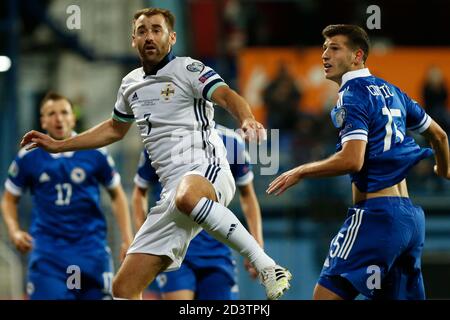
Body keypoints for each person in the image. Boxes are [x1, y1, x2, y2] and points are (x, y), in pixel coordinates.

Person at [20, 8, 291, 300]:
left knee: (187, 196)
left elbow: (227, 95)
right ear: (133, 40)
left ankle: (268, 266)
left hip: (206, 170)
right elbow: (114, 129)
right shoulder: (130, 84)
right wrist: (60, 145)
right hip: (171, 195)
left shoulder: (189, 69)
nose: (149, 36)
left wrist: (246, 118)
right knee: (123, 288)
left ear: (172, 38)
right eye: (142, 30)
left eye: (156, 29)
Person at [267, 24, 450, 300]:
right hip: (411, 220)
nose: (325, 55)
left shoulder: (351, 94)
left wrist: (302, 171)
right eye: (324, 48)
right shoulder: (394, 92)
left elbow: (353, 160)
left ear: (357, 56)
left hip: (376, 217)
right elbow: (440, 135)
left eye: (335, 48)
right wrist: (444, 170)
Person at [1, 92, 134, 300]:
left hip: (91, 250)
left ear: (73, 118)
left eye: (64, 112)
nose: (59, 118)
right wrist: (14, 230)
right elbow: (9, 198)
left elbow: (117, 194)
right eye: (51, 113)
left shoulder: (95, 152)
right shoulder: (28, 156)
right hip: (49, 254)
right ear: (43, 120)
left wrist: (127, 239)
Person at [133, 124, 263, 299]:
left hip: (217, 249)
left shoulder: (231, 141)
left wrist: (256, 244)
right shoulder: (161, 139)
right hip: (173, 247)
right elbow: (140, 192)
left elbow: (247, 195)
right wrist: (145, 241)